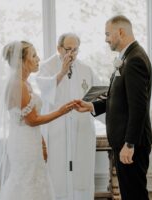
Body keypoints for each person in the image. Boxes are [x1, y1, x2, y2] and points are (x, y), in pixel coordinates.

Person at [0, 41, 76, 200]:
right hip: (24, 144)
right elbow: (32, 120)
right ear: (21, 61)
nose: (38, 59)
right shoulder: (17, 85)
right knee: (25, 183)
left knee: (34, 181)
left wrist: (42, 142)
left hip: (30, 140)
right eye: (34, 55)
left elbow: (30, 115)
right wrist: (61, 111)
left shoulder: (24, 82)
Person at [75, 15, 152, 200]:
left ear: (121, 32)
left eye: (108, 34)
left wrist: (129, 144)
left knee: (135, 194)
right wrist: (91, 106)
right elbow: (118, 98)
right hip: (125, 140)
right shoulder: (127, 56)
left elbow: (138, 107)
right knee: (130, 194)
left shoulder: (134, 60)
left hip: (131, 142)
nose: (106, 39)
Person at [36, 33, 103, 200]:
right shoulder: (47, 66)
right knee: (57, 167)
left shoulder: (86, 69)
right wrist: (62, 72)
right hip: (57, 126)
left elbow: (100, 94)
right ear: (59, 48)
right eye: (68, 49)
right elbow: (44, 90)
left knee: (81, 168)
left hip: (81, 125)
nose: (72, 54)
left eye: (75, 50)